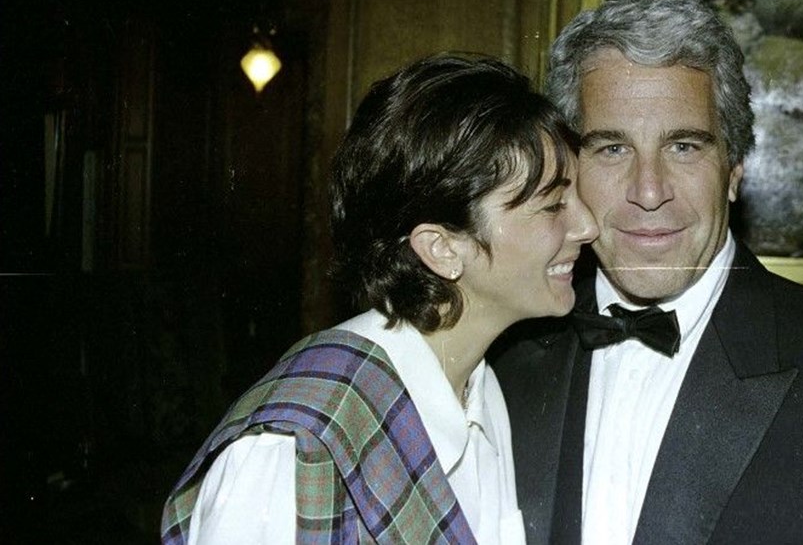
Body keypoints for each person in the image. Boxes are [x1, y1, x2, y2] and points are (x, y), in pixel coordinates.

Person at [491, 0, 803, 543]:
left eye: (683, 146)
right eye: (612, 149)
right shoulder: (500, 354)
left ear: (734, 170)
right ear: (567, 171)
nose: (648, 192)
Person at [161, 55, 598, 544]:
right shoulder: (290, 453)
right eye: (553, 205)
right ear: (442, 248)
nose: (588, 226)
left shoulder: (480, 390)